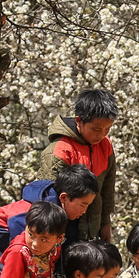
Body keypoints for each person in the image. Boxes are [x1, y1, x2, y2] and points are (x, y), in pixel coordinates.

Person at [0, 164, 99, 278]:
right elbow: (21, 251)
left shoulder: (57, 212)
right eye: (83, 205)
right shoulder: (32, 212)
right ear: (64, 198)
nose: (85, 211)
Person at [38, 89, 117, 242]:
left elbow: (108, 186)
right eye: (96, 129)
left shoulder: (105, 145)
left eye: (107, 129)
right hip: (63, 230)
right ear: (79, 121)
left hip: (93, 229)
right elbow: (48, 200)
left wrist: (105, 222)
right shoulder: (59, 151)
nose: (101, 135)